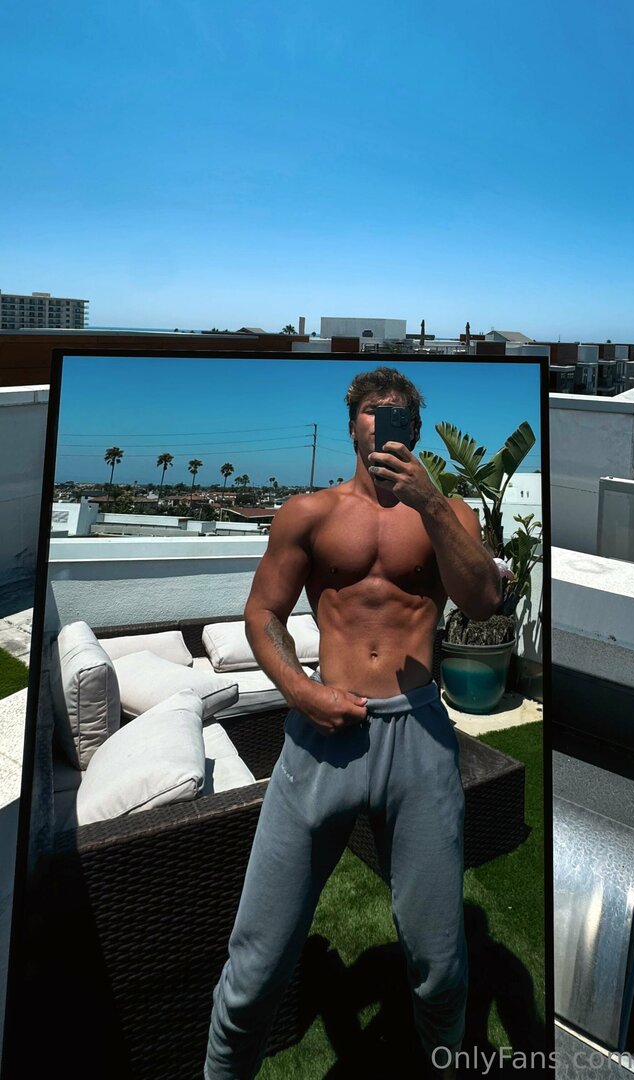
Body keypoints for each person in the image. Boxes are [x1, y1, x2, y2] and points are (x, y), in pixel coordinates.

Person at [205, 366, 501, 1078]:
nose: (385, 421)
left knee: (440, 969)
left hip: (417, 735)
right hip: (322, 731)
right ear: (352, 425)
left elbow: (483, 600)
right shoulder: (308, 513)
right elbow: (262, 613)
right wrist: (301, 692)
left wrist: (430, 505)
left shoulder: (451, 516)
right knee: (254, 968)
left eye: (399, 414)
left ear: (416, 431)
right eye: (374, 410)